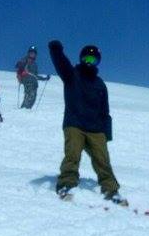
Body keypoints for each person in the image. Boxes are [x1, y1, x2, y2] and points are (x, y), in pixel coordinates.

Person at [48, 39, 126, 206]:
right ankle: (66, 184)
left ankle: (111, 191)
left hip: (96, 129)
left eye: (93, 60)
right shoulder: (72, 75)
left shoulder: (100, 85)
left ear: (98, 62)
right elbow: (61, 63)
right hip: (74, 123)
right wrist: (56, 50)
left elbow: (105, 111)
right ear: (81, 59)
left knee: (103, 160)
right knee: (73, 155)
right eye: (87, 59)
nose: (89, 63)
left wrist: (106, 134)